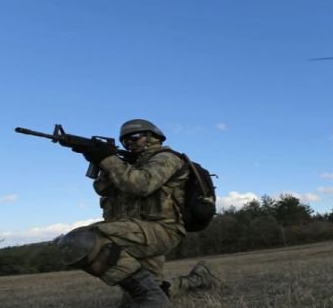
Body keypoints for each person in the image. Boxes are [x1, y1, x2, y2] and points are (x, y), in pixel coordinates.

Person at [56, 119, 218, 307]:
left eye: (134, 137)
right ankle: (199, 279)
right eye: (125, 141)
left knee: (80, 241)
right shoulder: (131, 165)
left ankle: (152, 298)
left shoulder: (166, 158)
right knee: (150, 292)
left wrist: (107, 159)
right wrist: (100, 160)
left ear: (153, 137)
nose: (129, 143)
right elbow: (103, 189)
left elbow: (142, 184)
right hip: (138, 229)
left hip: (161, 230)